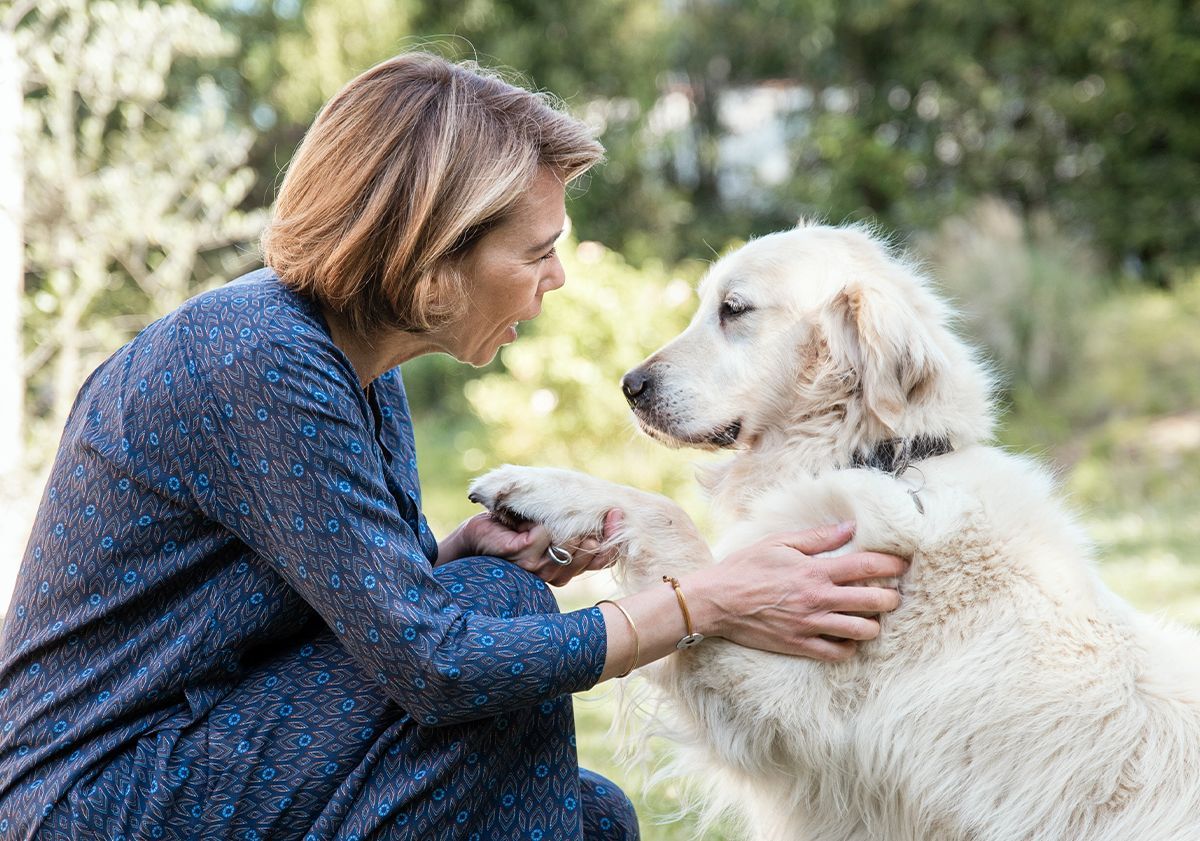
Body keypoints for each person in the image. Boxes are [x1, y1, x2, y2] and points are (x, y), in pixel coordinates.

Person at [0, 52, 906, 840]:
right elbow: (434, 667)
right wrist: (705, 598)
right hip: (100, 795)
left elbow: (347, 610)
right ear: (436, 257)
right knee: (499, 605)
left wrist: (447, 554)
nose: (557, 277)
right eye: (538, 251)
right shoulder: (257, 359)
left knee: (593, 818)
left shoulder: (354, 362)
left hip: (211, 745)